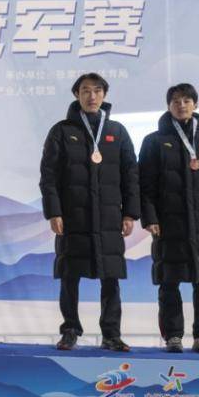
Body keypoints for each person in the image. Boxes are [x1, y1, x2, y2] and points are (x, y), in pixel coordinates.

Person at [39, 73, 140, 352]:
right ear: (76, 95)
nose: (92, 96)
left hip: (109, 218)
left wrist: (130, 213)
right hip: (73, 217)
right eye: (85, 91)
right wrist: (54, 212)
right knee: (70, 275)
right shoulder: (61, 131)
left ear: (104, 95)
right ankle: (70, 329)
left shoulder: (117, 132)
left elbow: (131, 174)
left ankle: (111, 333)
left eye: (97, 91)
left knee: (111, 277)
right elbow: (48, 176)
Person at [139, 83, 199, 354]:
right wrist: (150, 218)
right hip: (168, 225)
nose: (181, 105)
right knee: (169, 283)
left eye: (186, 100)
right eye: (175, 100)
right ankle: (173, 336)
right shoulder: (153, 142)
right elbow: (145, 185)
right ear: (168, 105)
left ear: (195, 104)